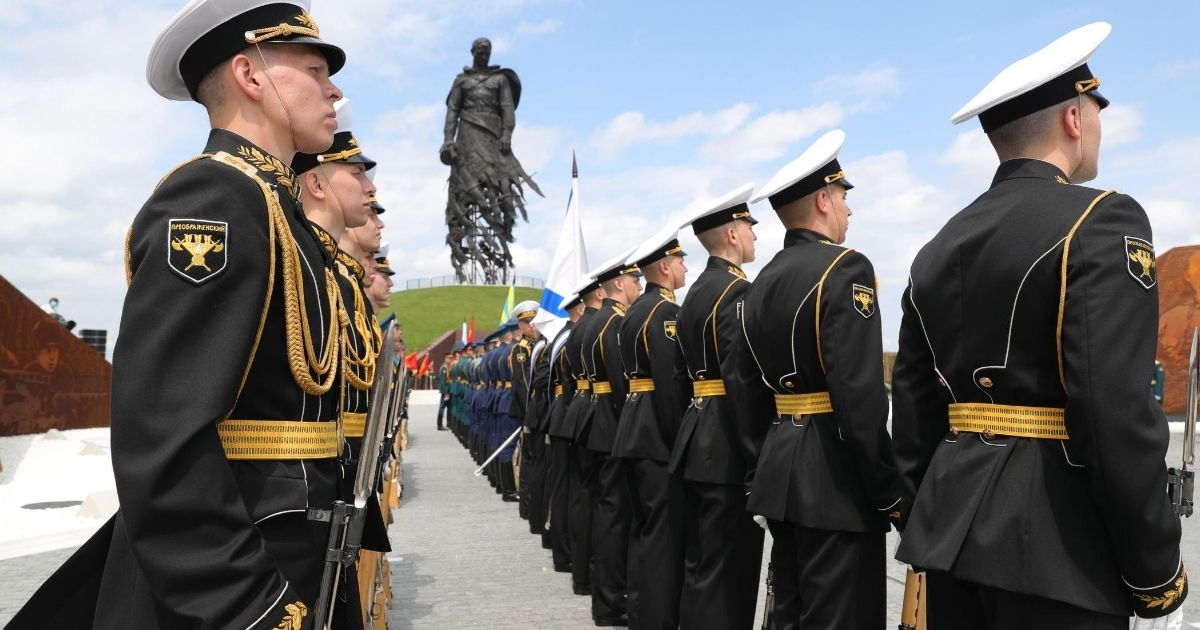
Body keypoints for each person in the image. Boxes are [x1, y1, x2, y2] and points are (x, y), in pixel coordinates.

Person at [9, 2, 353, 628]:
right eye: (313, 69)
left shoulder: (276, 207)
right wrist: (246, 603)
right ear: (252, 76)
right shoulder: (215, 198)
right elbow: (162, 432)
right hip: (240, 574)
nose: (334, 90)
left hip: (290, 540)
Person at [892, 22, 1186, 629]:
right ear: (1074, 118)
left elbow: (915, 408)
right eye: (1097, 109)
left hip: (952, 542)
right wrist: (1154, 567)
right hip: (1059, 550)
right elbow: (1114, 413)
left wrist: (931, 518)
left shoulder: (938, 246)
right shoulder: (1103, 220)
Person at [730, 129, 904, 629]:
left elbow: (746, 394)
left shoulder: (757, 286)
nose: (850, 210)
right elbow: (860, 397)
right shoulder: (845, 270)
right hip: (835, 481)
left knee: (790, 613)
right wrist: (888, 489)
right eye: (845, 197)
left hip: (780, 475)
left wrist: (757, 472)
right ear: (824, 200)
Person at [293, 96, 393, 628]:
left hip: (333, 481)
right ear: (316, 183)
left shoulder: (334, 276)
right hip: (292, 500)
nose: (371, 190)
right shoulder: (303, 266)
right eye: (357, 173)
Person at [670, 183, 764, 629]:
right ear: (731, 234)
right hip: (725, 444)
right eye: (749, 226)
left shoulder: (693, 295)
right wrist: (757, 457)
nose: (754, 236)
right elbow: (741, 383)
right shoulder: (736, 292)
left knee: (702, 567)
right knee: (730, 572)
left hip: (695, 437)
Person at [610, 226, 690, 629]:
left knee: (642, 533)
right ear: (664, 265)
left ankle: (642, 614)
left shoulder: (634, 310)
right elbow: (670, 385)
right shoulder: (665, 313)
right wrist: (682, 443)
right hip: (656, 437)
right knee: (662, 538)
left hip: (633, 428)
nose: (684, 268)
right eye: (680, 261)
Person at [581, 248, 642, 626]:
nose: (639, 285)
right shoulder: (614, 324)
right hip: (611, 425)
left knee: (603, 511)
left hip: (592, 421)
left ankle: (603, 594)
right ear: (618, 284)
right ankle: (609, 602)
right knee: (615, 517)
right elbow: (622, 386)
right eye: (635, 280)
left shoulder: (590, 323)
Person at [543, 290, 586, 571]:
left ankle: (560, 547)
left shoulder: (562, 336)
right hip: (567, 414)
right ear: (580, 308)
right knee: (567, 488)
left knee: (561, 486)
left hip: (558, 414)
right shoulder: (570, 338)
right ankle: (563, 550)